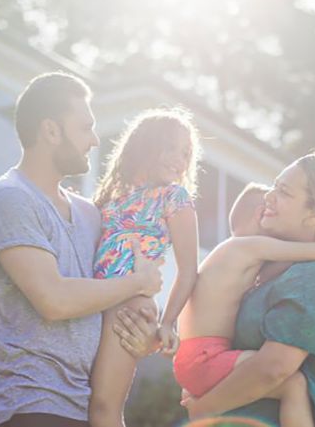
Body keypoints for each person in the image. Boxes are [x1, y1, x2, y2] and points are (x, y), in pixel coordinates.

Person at [0, 72, 163, 427]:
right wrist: (139, 283)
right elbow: (54, 300)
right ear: (51, 130)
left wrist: (147, 332)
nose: (93, 140)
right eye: (85, 127)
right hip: (31, 406)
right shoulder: (9, 199)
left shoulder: (90, 215)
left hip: (83, 408)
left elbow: (108, 298)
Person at [182, 136, 315, 427]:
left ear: (314, 213)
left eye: (283, 192)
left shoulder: (313, 277)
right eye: (273, 186)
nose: (268, 197)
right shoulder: (265, 264)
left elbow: (275, 368)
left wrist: (204, 408)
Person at [173, 183, 315, 427]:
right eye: (272, 206)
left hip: (194, 356)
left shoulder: (231, 255)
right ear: (261, 215)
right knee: (293, 382)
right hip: (205, 357)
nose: (275, 209)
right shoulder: (249, 247)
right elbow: (314, 252)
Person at [89, 108, 201, 427]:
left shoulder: (174, 198)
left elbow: (189, 270)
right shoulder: (111, 197)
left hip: (130, 308)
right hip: (93, 301)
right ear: (145, 145)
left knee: (104, 407)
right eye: (171, 147)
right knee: (85, 401)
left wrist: (167, 324)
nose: (179, 160)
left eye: (186, 153)